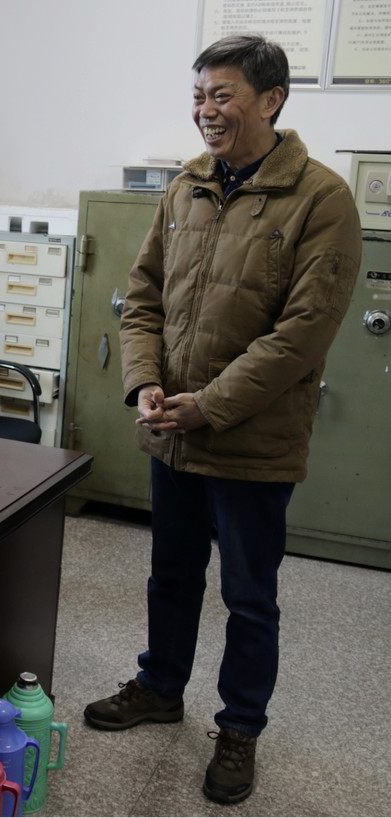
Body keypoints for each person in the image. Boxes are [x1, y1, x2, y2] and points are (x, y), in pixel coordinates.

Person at [82, 34, 361, 805]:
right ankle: (159, 686)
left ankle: (239, 728)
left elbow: (303, 331)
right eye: (198, 95)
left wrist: (209, 404)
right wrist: (144, 381)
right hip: (172, 430)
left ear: (270, 100)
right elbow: (141, 295)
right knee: (169, 574)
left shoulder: (320, 197)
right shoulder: (185, 187)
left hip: (251, 439)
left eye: (222, 95)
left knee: (248, 595)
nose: (205, 110)